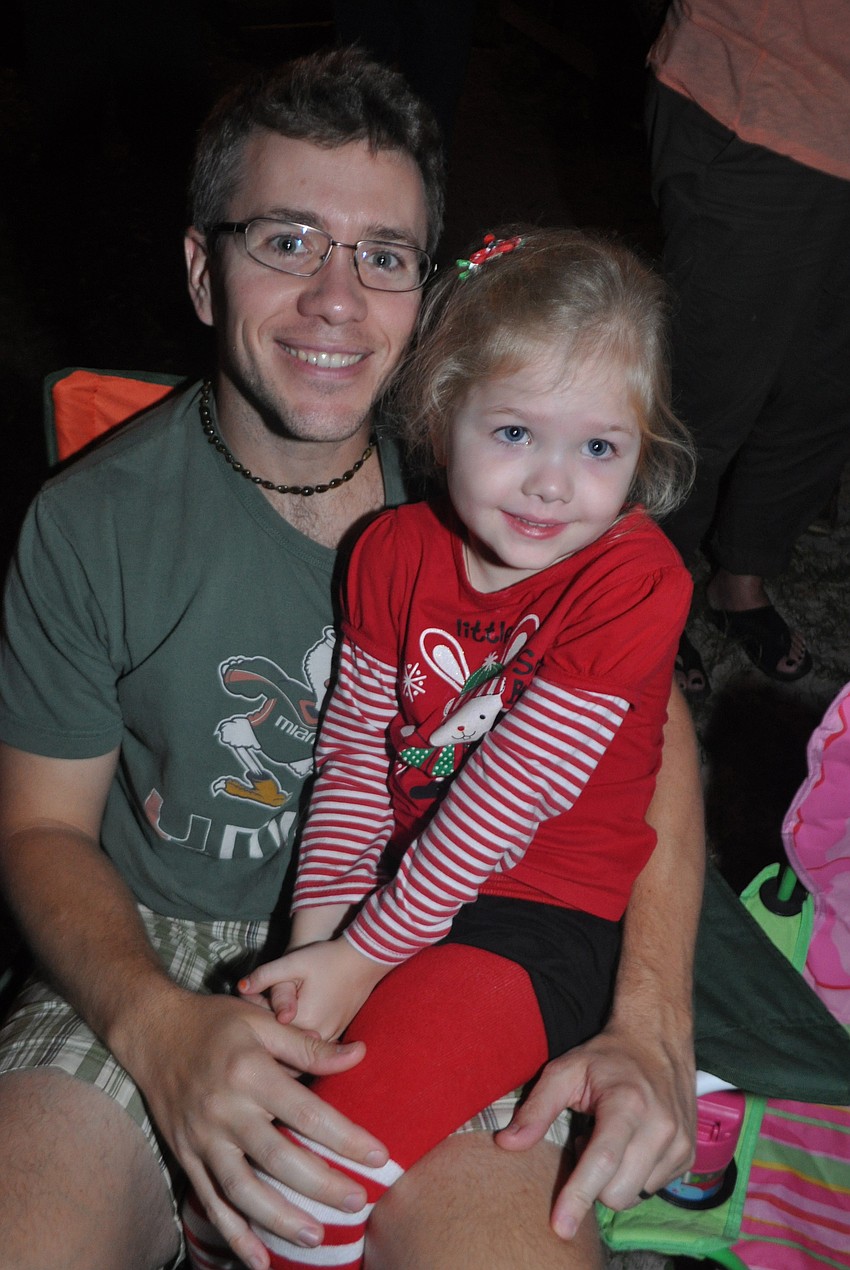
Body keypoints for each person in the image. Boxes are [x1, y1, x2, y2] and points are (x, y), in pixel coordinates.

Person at [0, 48, 702, 1270]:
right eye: (285, 240)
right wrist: (158, 1029)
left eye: (380, 255)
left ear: (424, 295)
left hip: (447, 931)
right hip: (149, 944)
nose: (336, 298)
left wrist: (650, 1020)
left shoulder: (505, 463)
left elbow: (648, 739)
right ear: (200, 269)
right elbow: (37, 831)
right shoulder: (88, 522)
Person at [184, 226, 695, 1270]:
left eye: (598, 446)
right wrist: (316, 947)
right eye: (514, 432)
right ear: (439, 409)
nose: (554, 485)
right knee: (256, 1165)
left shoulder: (632, 578)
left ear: (642, 451)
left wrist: (364, 952)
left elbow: (509, 799)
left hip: (537, 918)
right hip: (400, 893)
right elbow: (354, 769)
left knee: (301, 1180)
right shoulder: (389, 553)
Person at [646, 0, 850, 697]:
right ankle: (640, 604)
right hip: (768, 97)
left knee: (826, 395)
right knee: (705, 394)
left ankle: (742, 579)